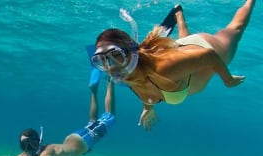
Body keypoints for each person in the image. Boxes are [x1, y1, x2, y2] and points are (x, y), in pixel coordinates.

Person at [91, 1, 255, 130]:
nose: (112, 66)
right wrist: (148, 107)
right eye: (102, 60)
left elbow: (208, 56)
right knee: (183, 48)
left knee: (236, 29)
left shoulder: (166, 67)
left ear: (131, 50)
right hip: (181, 51)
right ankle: (178, 14)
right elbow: (142, 84)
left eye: (116, 55)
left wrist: (228, 80)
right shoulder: (128, 74)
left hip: (205, 48)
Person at [0, 79, 115, 156]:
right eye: (25, 146)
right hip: (76, 143)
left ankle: (110, 81)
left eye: (31, 144)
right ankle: (94, 90)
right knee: (92, 121)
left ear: (38, 141)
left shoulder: (48, 152)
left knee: (109, 116)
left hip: (85, 140)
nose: (29, 148)